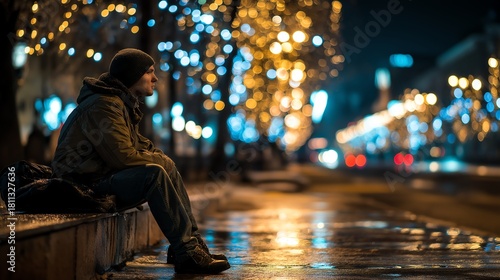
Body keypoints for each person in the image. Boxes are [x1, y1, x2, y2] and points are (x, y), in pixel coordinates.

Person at [51, 48, 230, 274]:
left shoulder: (119, 103)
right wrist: (160, 162)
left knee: (167, 168)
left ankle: (188, 246)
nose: (155, 78)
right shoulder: (104, 105)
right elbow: (123, 156)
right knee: (154, 174)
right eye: (149, 72)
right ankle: (186, 251)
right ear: (132, 75)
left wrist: (163, 160)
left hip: (97, 179)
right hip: (81, 187)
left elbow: (139, 145)